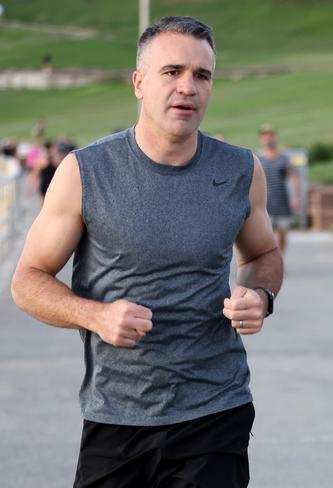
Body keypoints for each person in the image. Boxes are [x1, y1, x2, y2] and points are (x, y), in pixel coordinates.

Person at [12, 16, 282, 488]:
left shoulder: (240, 170)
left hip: (216, 410)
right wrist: (95, 316)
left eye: (202, 75)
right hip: (117, 417)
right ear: (138, 83)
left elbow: (264, 255)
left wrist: (259, 295)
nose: (188, 87)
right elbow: (27, 280)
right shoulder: (85, 172)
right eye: (172, 72)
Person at [257, 124, 300, 254]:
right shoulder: (258, 159)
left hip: (282, 201)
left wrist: (296, 197)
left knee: (282, 233)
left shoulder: (284, 159)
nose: (268, 139)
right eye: (265, 136)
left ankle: (280, 257)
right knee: (266, 235)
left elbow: (294, 177)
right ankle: (270, 261)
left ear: (275, 137)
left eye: (270, 135)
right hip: (264, 203)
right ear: (261, 139)